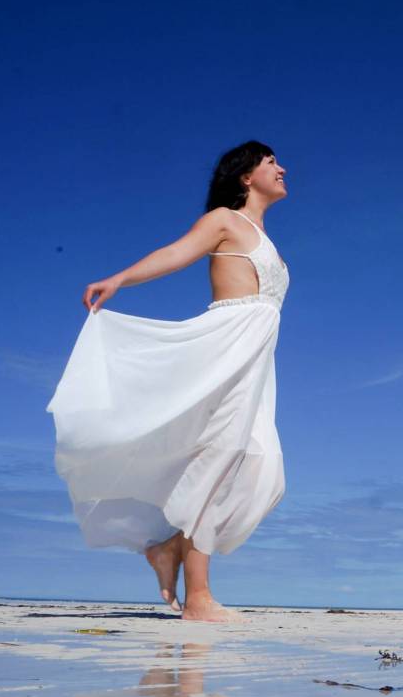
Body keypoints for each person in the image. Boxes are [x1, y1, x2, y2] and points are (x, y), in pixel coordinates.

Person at [48, 141, 291, 623]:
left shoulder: (265, 236)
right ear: (246, 176)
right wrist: (119, 279)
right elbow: (177, 253)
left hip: (255, 360)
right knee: (218, 457)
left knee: (261, 469)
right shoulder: (225, 219)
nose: (283, 169)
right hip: (223, 348)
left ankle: (166, 548)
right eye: (270, 163)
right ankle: (198, 597)